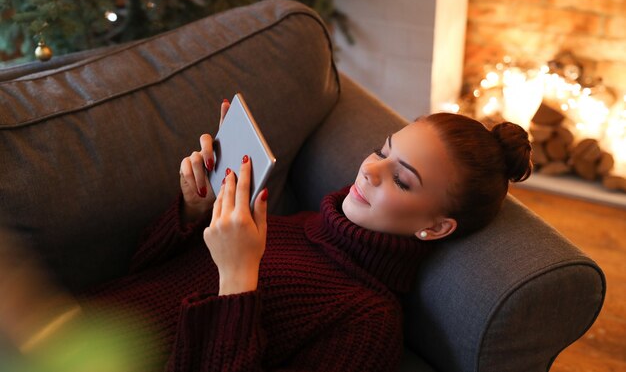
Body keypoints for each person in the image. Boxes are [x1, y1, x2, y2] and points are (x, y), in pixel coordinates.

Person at [1, 100, 532, 372]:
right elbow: (148, 278)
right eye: (384, 150)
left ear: (435, 227)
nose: (371, 170)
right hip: (60, 339)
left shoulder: (368, 323)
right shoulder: (300, 227)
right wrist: (193, 211)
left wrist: (237, 279)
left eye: (402, 178)